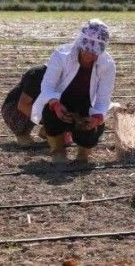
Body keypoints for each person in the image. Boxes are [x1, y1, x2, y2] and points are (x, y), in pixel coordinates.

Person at [30, 19, 116, 163]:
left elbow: (103, 99)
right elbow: (47, 87)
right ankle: (58, 151)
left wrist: (96, 119)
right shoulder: (61, 55)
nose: (90, 55)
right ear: (80, 44)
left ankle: (83, 153)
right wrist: (56, 104)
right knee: (50, 114)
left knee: (93, 129)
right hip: (62, 103)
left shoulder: (107, 65)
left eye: (95, 52)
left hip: (85, 106)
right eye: (87, 50)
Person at [1, 64, 48, 146]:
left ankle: (49, 130)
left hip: (37, 108)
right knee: (26, 143)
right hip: (14, 109)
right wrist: (49, 123)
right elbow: (23, 105)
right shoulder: (38, 73)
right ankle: (24, 134)